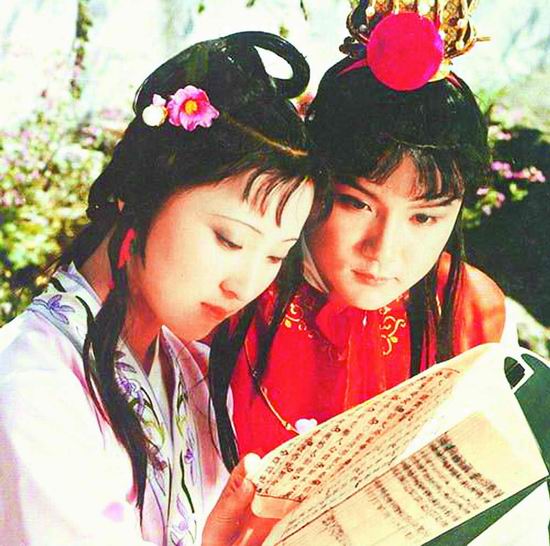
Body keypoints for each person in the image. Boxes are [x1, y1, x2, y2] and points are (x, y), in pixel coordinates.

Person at [0, 31, 326, 545]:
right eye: (230, 239)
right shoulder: (34, 387)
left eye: (274, 256)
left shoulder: (192, 372)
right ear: (141, 194)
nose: (245, 284)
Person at [209, 1, 519, 466]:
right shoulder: (235, 286)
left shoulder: (472, 313)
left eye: (424, 218)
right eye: (356, 203)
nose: (383, 251)